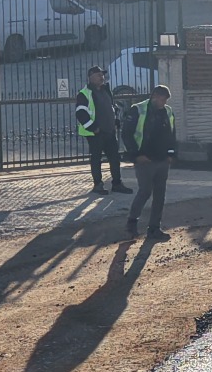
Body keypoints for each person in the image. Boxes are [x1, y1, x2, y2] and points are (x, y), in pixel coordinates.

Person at [125, 84, 178, 242]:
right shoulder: (138, 110)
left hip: (162, 160)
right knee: (145, 191)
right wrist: (136, 155)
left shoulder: (168, 111)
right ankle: (131, 223)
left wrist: (171, 154)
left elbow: (172, 135)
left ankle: (154, 228)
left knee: (160, 195)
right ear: (154, 96)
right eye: (162, 99)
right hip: (145, 160)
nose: (164, 102)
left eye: (166, 100)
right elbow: (127, 134)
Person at [75, 66, 129, 195]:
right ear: (91, 77)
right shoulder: (84, 94)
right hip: (95, 133)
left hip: (109, 131)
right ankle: (98, 185)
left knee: (114, 158)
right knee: (96, 159)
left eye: (102, 75)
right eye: (99, 75)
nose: (102, 77)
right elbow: (80, 113)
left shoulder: (106, 90)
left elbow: (112, 107)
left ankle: (117, 183)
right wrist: (94, 128)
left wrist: (115, 120)